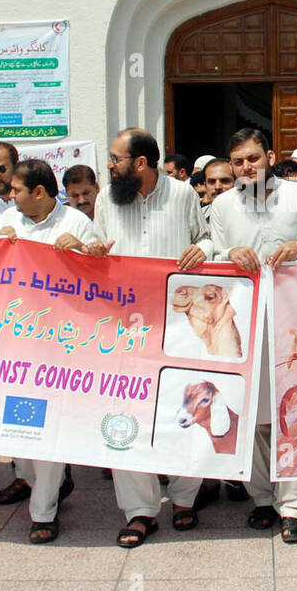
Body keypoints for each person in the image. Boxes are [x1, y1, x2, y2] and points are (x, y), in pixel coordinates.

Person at [207, 127, 297, 543]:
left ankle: (294, 509)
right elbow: (213, 254)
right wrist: (229, 254)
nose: (247, 167)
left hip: (294, 323)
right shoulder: (223, 205)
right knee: (255, 417)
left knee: (293, 415)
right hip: (244, 325)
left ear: (270, 156)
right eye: (239, 161)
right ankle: (262, 498)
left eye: (254, 159)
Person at [89, 130, 213, 548]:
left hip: (179, 325)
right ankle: (140, 510)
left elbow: (206, 239)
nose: (110, 165)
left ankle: (183, 498)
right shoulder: (107, 199)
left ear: (140, 163)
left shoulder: (182, 196)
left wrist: (205, 251)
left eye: (115, 158)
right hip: (124, 327)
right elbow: (96, 243)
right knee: (125, 412)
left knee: (187, 407)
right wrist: (87, 250)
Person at [0, 159, 100, 543]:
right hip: (16, 341)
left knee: (48, 427)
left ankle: (43, 511)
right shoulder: (10, 224)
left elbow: (102, 275)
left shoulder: (77, 224)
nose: (10, 196)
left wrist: (83, 252)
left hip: (60, 346)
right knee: (19, 426)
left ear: (39, 192)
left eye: (16, 190)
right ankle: (35, 482)